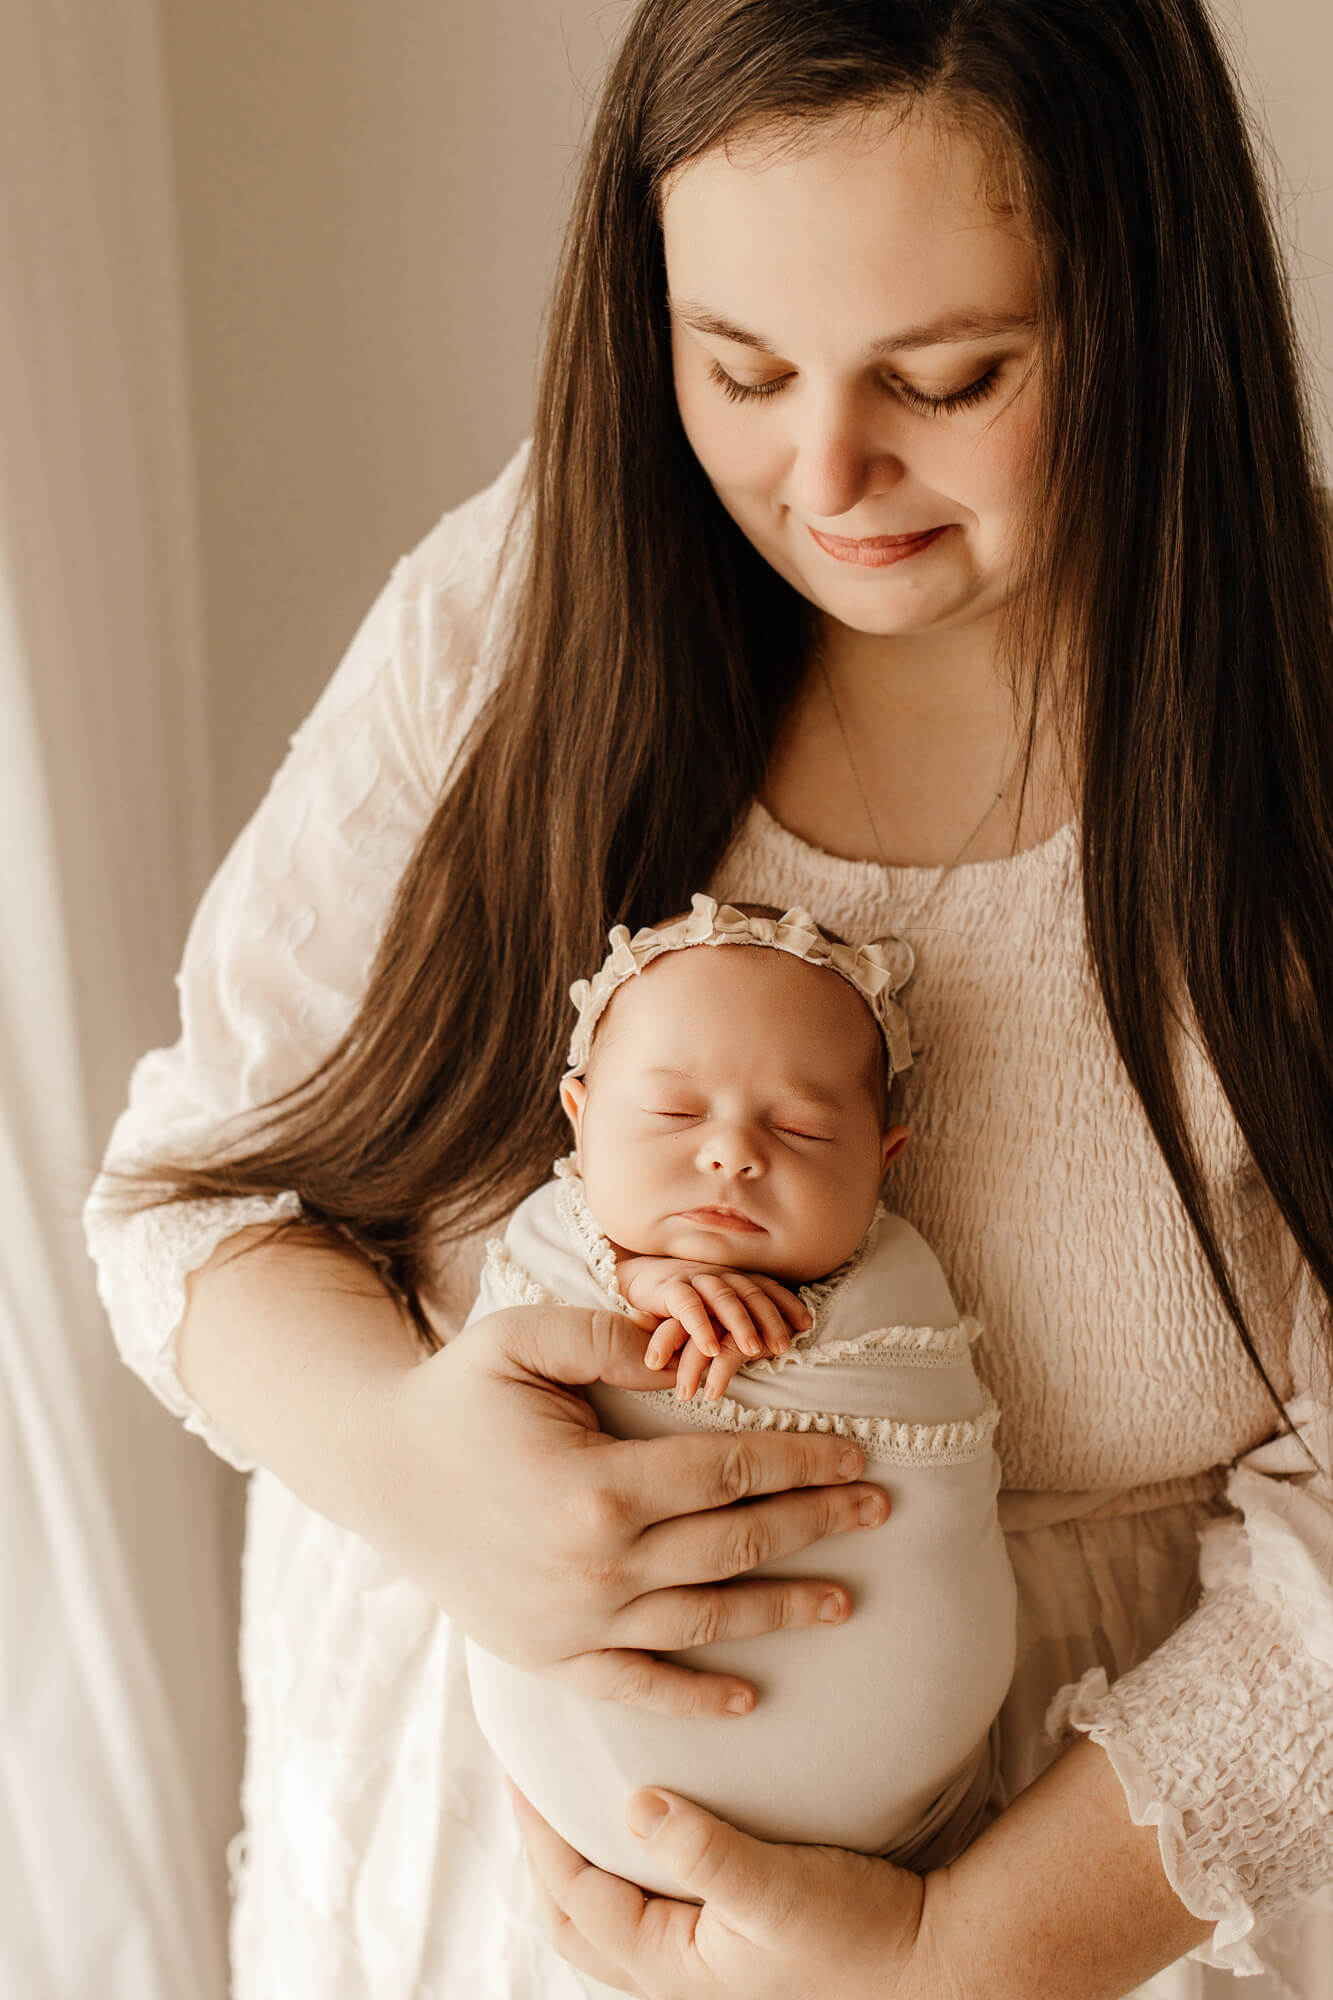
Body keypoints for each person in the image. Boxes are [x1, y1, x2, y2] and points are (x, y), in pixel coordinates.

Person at [84, 2, 1333, 1996]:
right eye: (734, 364)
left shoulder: (1297, 722)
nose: (823, 471)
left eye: (946, 377)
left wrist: (969, 1951)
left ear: (1148, 302)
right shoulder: (519, 614)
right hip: (461, 1920)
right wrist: (416, 1464)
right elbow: (191, 1196)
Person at [464, 897, 1016, 1897]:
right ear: (580, 1119)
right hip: (598, 1796)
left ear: (882, 1162)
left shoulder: (898, 1285)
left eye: (802, 1128)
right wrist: (635, 1288)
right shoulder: (553, 1244)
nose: (731, 1152)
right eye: (675, 1112)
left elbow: (916, 1401)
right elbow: (486, 1387)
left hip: (932, 1850)